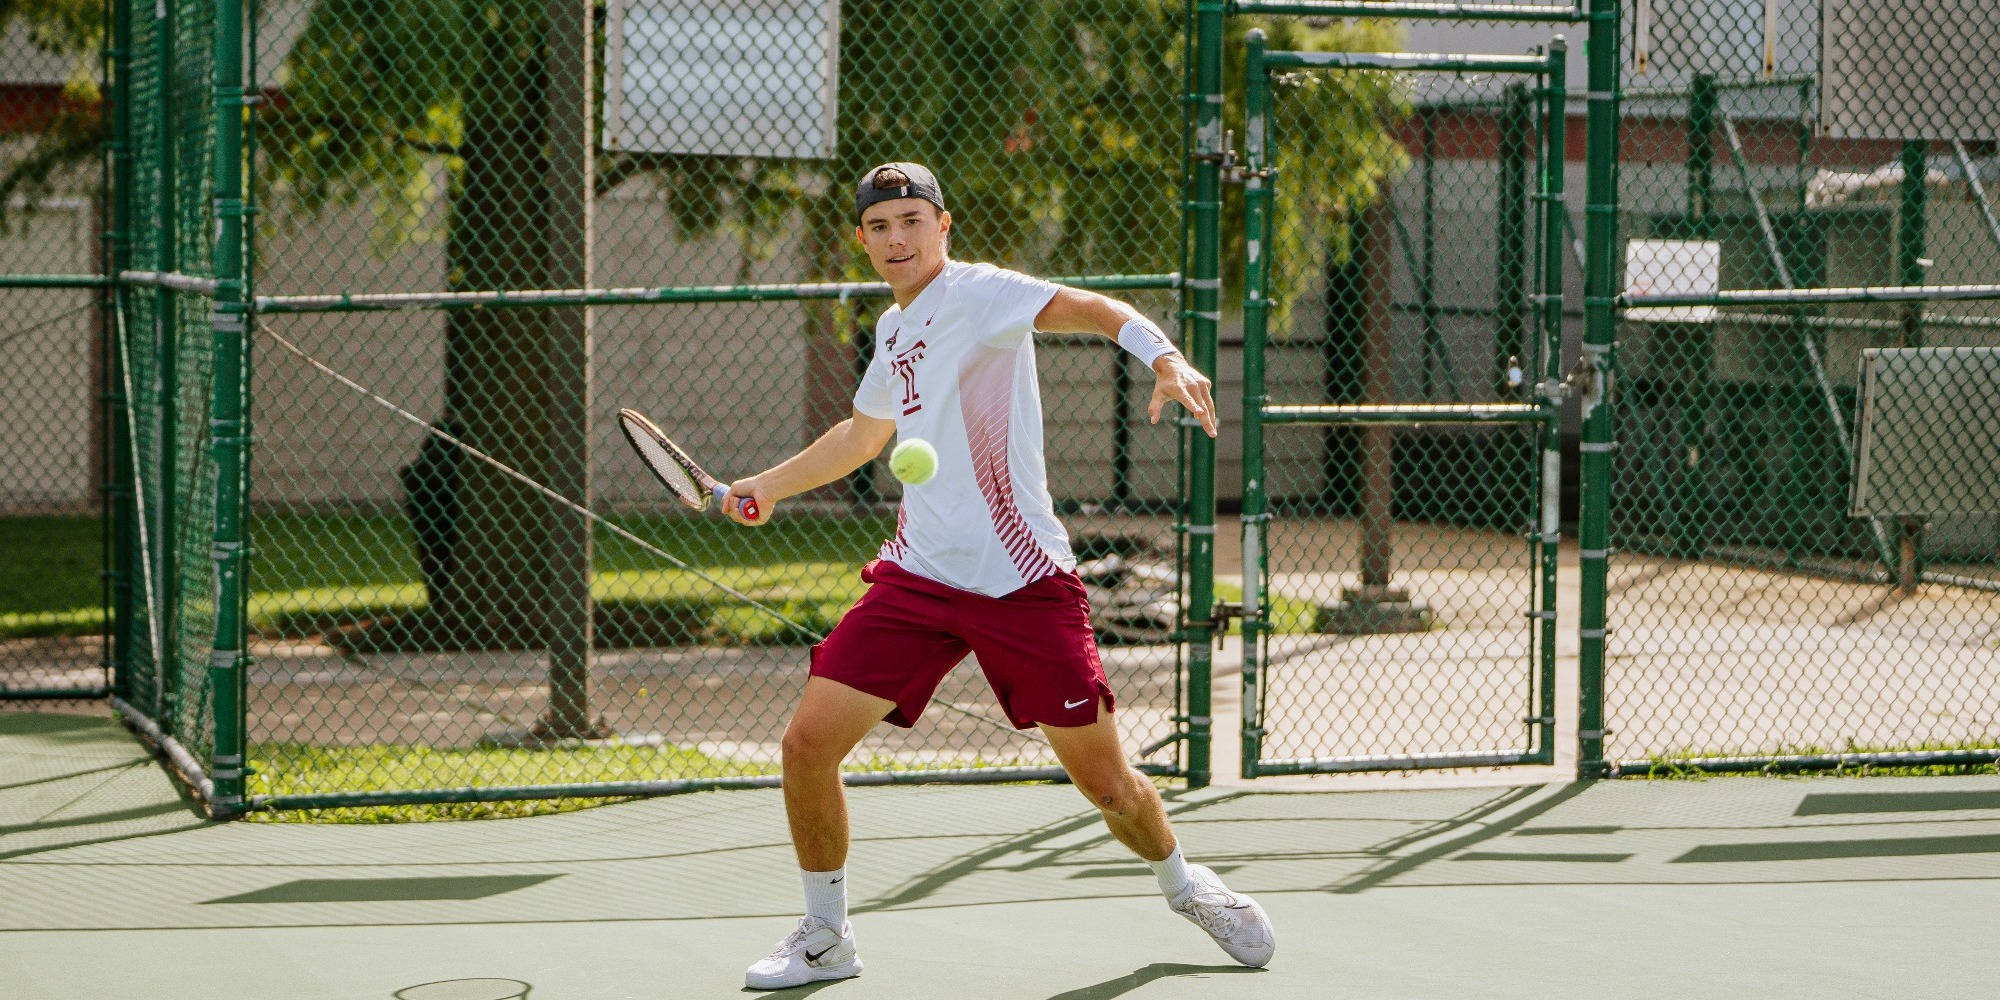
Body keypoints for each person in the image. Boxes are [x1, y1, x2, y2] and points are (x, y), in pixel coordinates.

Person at [725, 162, 1274, 991]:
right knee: (806, 746)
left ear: (944, 226)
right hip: (917, 579)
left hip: (1022, 584)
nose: (897, 238)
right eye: (881, 226)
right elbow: (862, 436)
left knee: (1110, 788)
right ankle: (826, 936)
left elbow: (1093, 309)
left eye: (913, 220)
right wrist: (765, 485)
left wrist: (1163, 356)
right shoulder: (891, 330)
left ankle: (1186, 885)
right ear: (864, 240)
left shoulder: (982, 295)